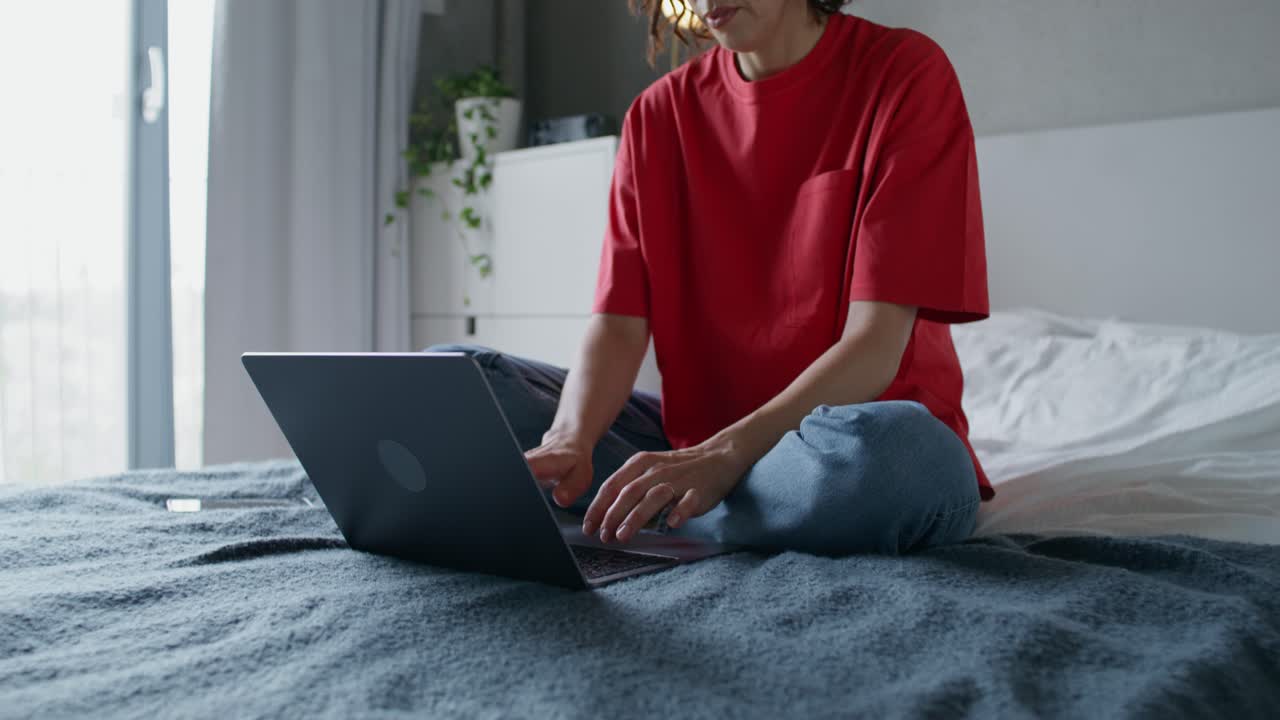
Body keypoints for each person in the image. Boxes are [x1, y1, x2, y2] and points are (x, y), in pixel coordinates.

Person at [429, 0, 991, 556]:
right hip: (693, 449)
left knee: (899, 458)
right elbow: (619, 328)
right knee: (454, 378)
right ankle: (678, 505)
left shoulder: (905, 72)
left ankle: (662, 513)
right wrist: (569, 438)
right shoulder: (656, 115)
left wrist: (728, 455)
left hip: (842, 441)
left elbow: (874, 344)